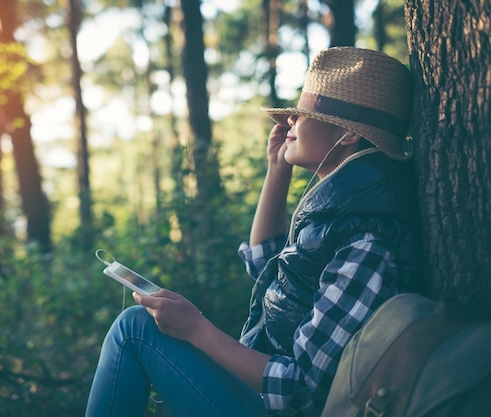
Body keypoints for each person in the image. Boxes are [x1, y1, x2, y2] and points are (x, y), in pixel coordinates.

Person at [85, 47, 424, 417]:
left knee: (134, 329)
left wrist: (197, 329)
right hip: (258, 398)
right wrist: (277, 170)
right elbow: (266, 267)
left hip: (276, 409)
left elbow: (300, 390)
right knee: (137, 325)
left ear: (345, 135)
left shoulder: (367, 241)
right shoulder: (346, 209)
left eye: (305, 114)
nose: (291, 120)